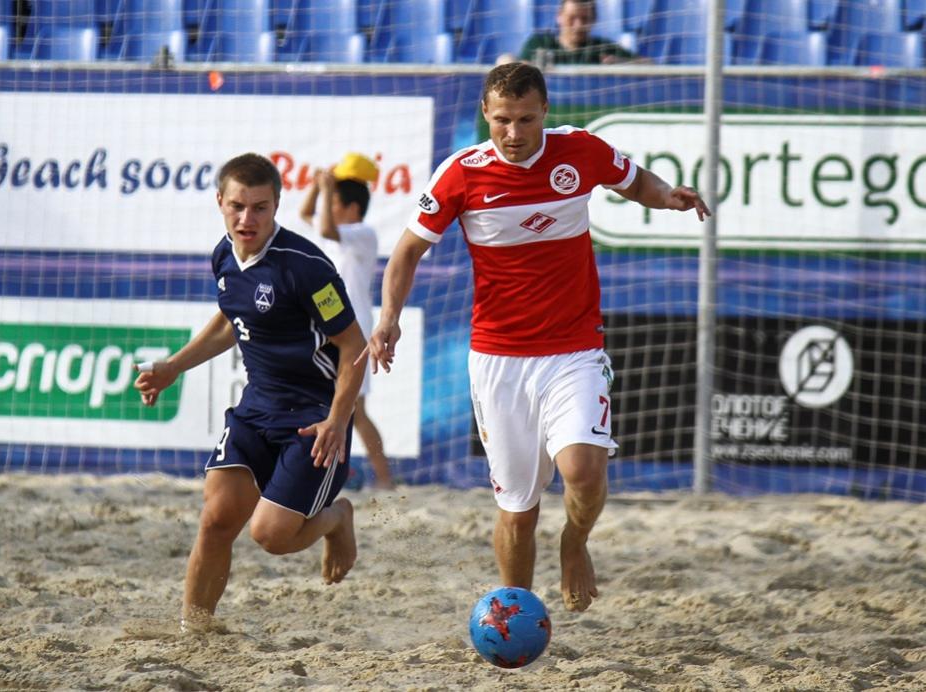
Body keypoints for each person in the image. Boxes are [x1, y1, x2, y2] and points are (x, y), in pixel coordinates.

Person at [367, 62, 709, 612]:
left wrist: (667, 195)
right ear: (486, 113)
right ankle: (517, 611)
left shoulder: (579, 150)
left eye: (526, 119)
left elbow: (635, 180)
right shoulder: (461, 173)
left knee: (583, 471)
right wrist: (389, 318)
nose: (513, 132)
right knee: (518, 512)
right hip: (499, 360)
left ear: (545, 112)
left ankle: (574, 542)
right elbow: (406, 252)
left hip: (575, 350)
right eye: (502, 120)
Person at [134, 153, 368, 629]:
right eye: (237, 206)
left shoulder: (306, 267)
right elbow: (230, 320)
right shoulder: (223, 255)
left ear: (276, 205)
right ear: (220, 202)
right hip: (256, 406)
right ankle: (195, 631)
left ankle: (336, 518)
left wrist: (338, 419)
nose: (247, 219)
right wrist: (174, 366)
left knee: (271, 536)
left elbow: (353, 346)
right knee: (216, 519)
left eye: (260, 208)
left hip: (313, 416)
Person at [299, 153, 396, 490]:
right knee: (327, 404)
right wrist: (318, 186)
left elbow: (325, 226)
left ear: (352, 208)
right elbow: (306, 214)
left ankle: (385, 480)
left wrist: (327, 188)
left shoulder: (362, 233)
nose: (329, 207)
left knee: (356, 409)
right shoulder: (337, 231)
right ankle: (328, 474)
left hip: (355, 330)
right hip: (328, 328)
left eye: (335, 202)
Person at [517, 0, 640, 66]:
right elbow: (516, 67)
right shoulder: (539, 44)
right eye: (572, 18)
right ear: (559, 16)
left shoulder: (604, 48)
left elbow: (646, 64)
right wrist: (509, 62)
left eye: (585, 19)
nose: (578, 25)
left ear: (594, 19)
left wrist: (623, 64)